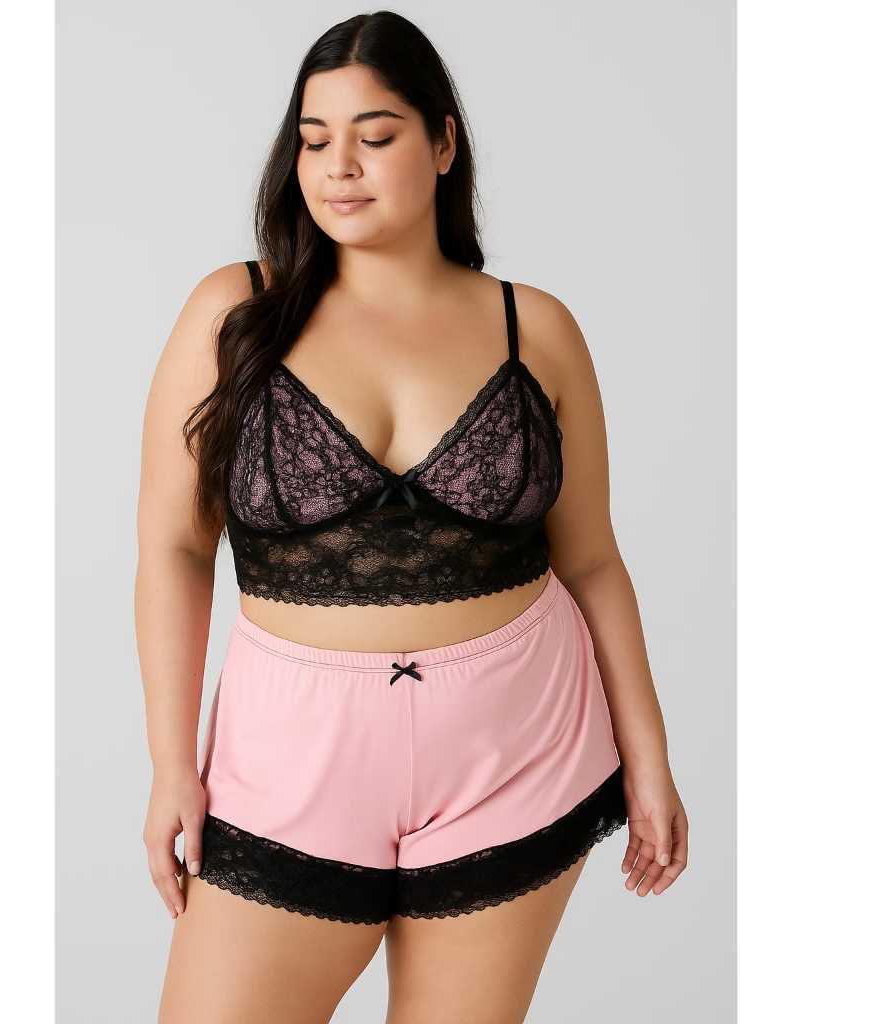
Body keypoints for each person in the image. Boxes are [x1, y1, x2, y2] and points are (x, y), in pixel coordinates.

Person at [136, 11, 688, 1023]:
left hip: (517, 749)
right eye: (314, 141)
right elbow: (175, 546)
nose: (338, 167)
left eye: (375, 136)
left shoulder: (535, 328)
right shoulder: (235, 313)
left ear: (442, 144)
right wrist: (173, 763)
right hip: (289, 760)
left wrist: (649, 760)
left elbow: (593, 563)